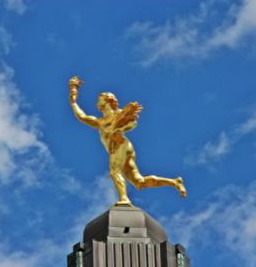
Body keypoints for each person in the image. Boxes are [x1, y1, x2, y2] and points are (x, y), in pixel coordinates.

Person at [69, 76, 186, 206]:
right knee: (139, 182)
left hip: (120, 144)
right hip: (121, 148)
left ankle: (124, 199)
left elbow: (133, 123)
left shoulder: (118, 113)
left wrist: (119, 130)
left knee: (114, 172)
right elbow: (82, 116)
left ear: (108, 100)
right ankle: (174, 182)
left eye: (99, 100)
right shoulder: (99, 122)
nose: (97, 103)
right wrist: (73, 98)